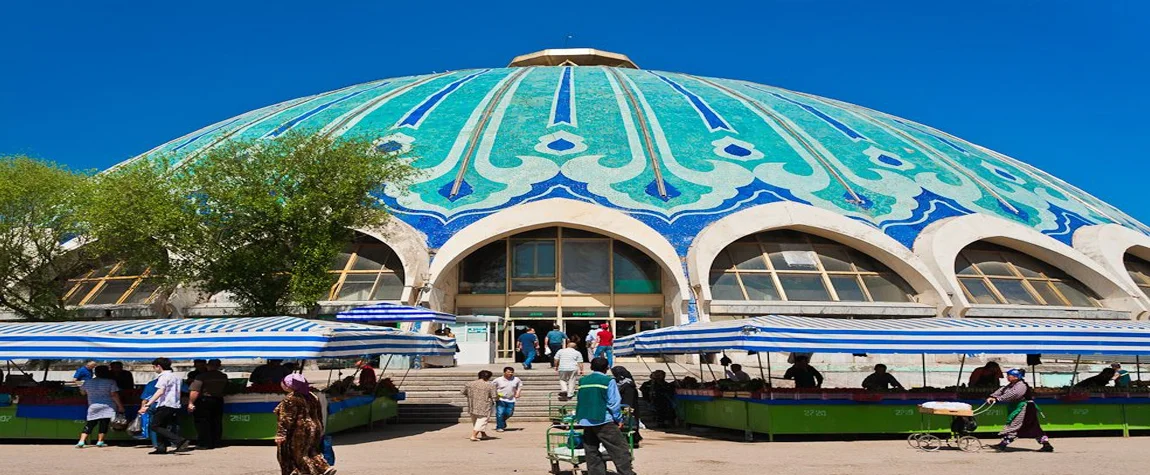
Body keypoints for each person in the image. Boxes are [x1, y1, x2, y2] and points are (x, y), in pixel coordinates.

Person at [574, 357, 635, 475]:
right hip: (603, 420)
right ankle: (626, 472)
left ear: (591, 367)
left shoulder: (583, 380)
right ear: (607, 368)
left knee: (591, 451)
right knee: (619, 449)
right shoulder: (608, 381)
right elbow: (613, 403)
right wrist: (619, 419)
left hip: (586, 420)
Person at [275, 374, 335, 475]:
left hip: (301, 429)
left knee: (299, 454)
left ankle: (312, 472)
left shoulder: (291, 399)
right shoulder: (312, 396)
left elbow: (286, 418)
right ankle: (324, 468)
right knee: (312, 451)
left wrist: (281, 434)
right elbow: (319, 413)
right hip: (315, 427)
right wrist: (320, 428)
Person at [987, 368, 1053, 452]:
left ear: (1016, 377)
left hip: (1025, 408)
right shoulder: (1011, 385)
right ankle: (1046, 445)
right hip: (1020, 407)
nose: (1007, 377)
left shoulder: (1021, 385)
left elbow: (1014, 394)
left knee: (1015, 425)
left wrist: (998, 399)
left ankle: (1003, 444)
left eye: (1009, 375)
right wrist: (993, 396)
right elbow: (1002, 390)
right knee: (1033, 427)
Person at [137, 357, 191, 454]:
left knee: (155, 426)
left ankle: (179, 440)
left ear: (158, 366)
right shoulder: (177, 377)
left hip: (165, 404)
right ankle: (161, 448)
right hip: (174, 404)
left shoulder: (163, 377)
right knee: (162, 426)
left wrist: (148, 404)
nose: (154, 369)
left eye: (154, 367)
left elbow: (160, 391)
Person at [76, 365, 123, 448]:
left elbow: (83, 393)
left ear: (95, 373)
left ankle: (81, 441)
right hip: (108, 406)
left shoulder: (88, 382)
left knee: (90, 423)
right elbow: (114, 395)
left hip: (93, 405)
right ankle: (100, 441)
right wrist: (120, 406)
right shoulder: (111, 382)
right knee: (104, 424)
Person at [189, 359, 228, 450]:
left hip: (204, 400)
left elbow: (195, 391)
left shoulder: (201, 376)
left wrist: (190, 402)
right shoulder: (223, 376)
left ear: (208, 365)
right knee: (216, 422)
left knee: (203, 422)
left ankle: (204, 443)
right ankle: (216, 442)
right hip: (218, 400)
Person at [461, 370, 498, 441]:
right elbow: (494, 396)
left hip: (472, 404)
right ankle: (474, 435)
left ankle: (483, 434)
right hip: (484, 405)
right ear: (489, 377)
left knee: (475, 420)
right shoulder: (490, 385)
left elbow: (463, 392)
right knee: (482, 420)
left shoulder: (469, 384)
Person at [611, 366, 642, 447]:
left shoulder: (628, 385)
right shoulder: (617, 382)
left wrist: (626, 410)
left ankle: (632, 440)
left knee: (629, 423)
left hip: (628, 407)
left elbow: (629, 400)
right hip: (620, 406)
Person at [492, 367, 523, 432]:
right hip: (500, 399)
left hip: (511, 399)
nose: (510, 373)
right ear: (504, 372)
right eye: (508, 372)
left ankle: (502, 421)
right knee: (500, 413)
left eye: (512, 372)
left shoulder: (516, 379)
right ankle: (499, 427)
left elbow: (520, 385)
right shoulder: (498, 380)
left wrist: (518, 393)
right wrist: (495, 394)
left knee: (509, 413)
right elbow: (492, 387)